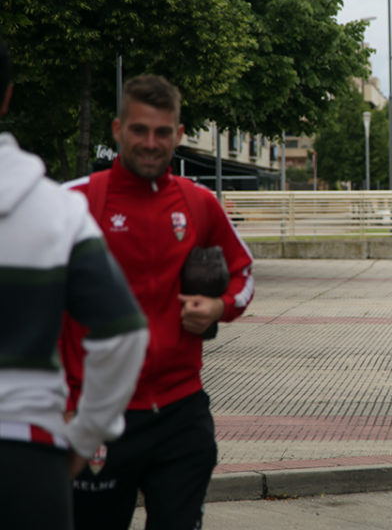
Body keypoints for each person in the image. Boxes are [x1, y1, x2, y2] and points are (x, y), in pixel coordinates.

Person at [59, 74, 255, 529]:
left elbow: (243, 273)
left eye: (163, 132)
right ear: (117, 130)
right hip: (99, 414)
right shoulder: (73, 203)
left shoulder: (199, 202)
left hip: (180, 410)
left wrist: (221, 306)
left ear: (179, 135)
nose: (151, 142)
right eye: (139, 130)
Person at [0, 35, 148, 528]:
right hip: (26, 452)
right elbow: (125, 331)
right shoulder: (58, 210)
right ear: (7, 96)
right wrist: (87, 435)